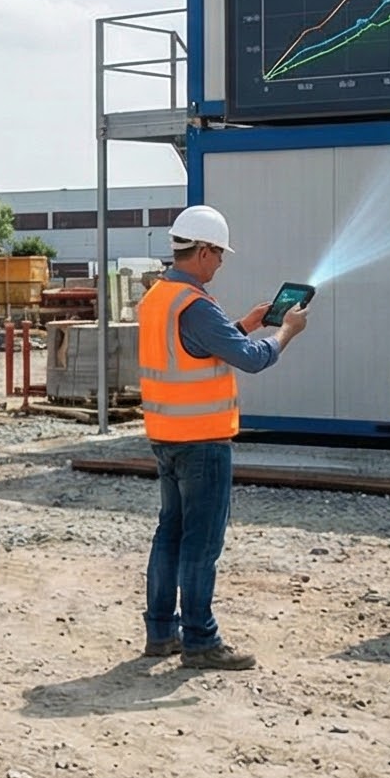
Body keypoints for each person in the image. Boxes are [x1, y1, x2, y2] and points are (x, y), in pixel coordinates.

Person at [135, 204, 311, 671]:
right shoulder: (195, 304)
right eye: (219, 255)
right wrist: (286, 332)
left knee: (170, 533)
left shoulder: (158, 298)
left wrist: (248, 323)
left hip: (166, 436)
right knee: (201, 544)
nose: (221, 263)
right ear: (204, 251)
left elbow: (193, 352)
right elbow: (252, 359)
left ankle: (160, 632)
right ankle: (200, 640)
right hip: (203, 442)